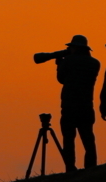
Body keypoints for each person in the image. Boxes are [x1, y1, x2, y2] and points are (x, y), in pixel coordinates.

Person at [34, 35, 101, 171]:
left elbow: (62, 79)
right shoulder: (95, 63)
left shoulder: (68, 61)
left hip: (69, 105)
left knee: (69, 139)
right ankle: (91, 167)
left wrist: (59, 65)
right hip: (87, 105)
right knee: (88, 138)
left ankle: (70, 167)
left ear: (75, 47)